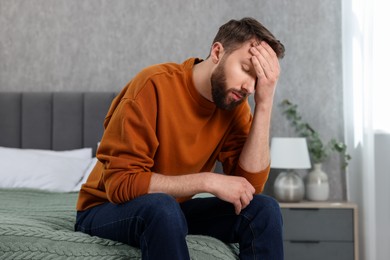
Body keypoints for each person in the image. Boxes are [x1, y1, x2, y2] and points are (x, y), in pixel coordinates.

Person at [75, 17, 285, 260]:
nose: (249, 86)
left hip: (172, 209)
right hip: (104, 209)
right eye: (246, 70)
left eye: (258, 80)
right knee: (162, 208)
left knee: (264, 210)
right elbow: (121, 184)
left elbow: (249, 188)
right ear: (217, 52)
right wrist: (206, 181)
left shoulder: (234, 104)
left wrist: (264, 102)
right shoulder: (153, 85)